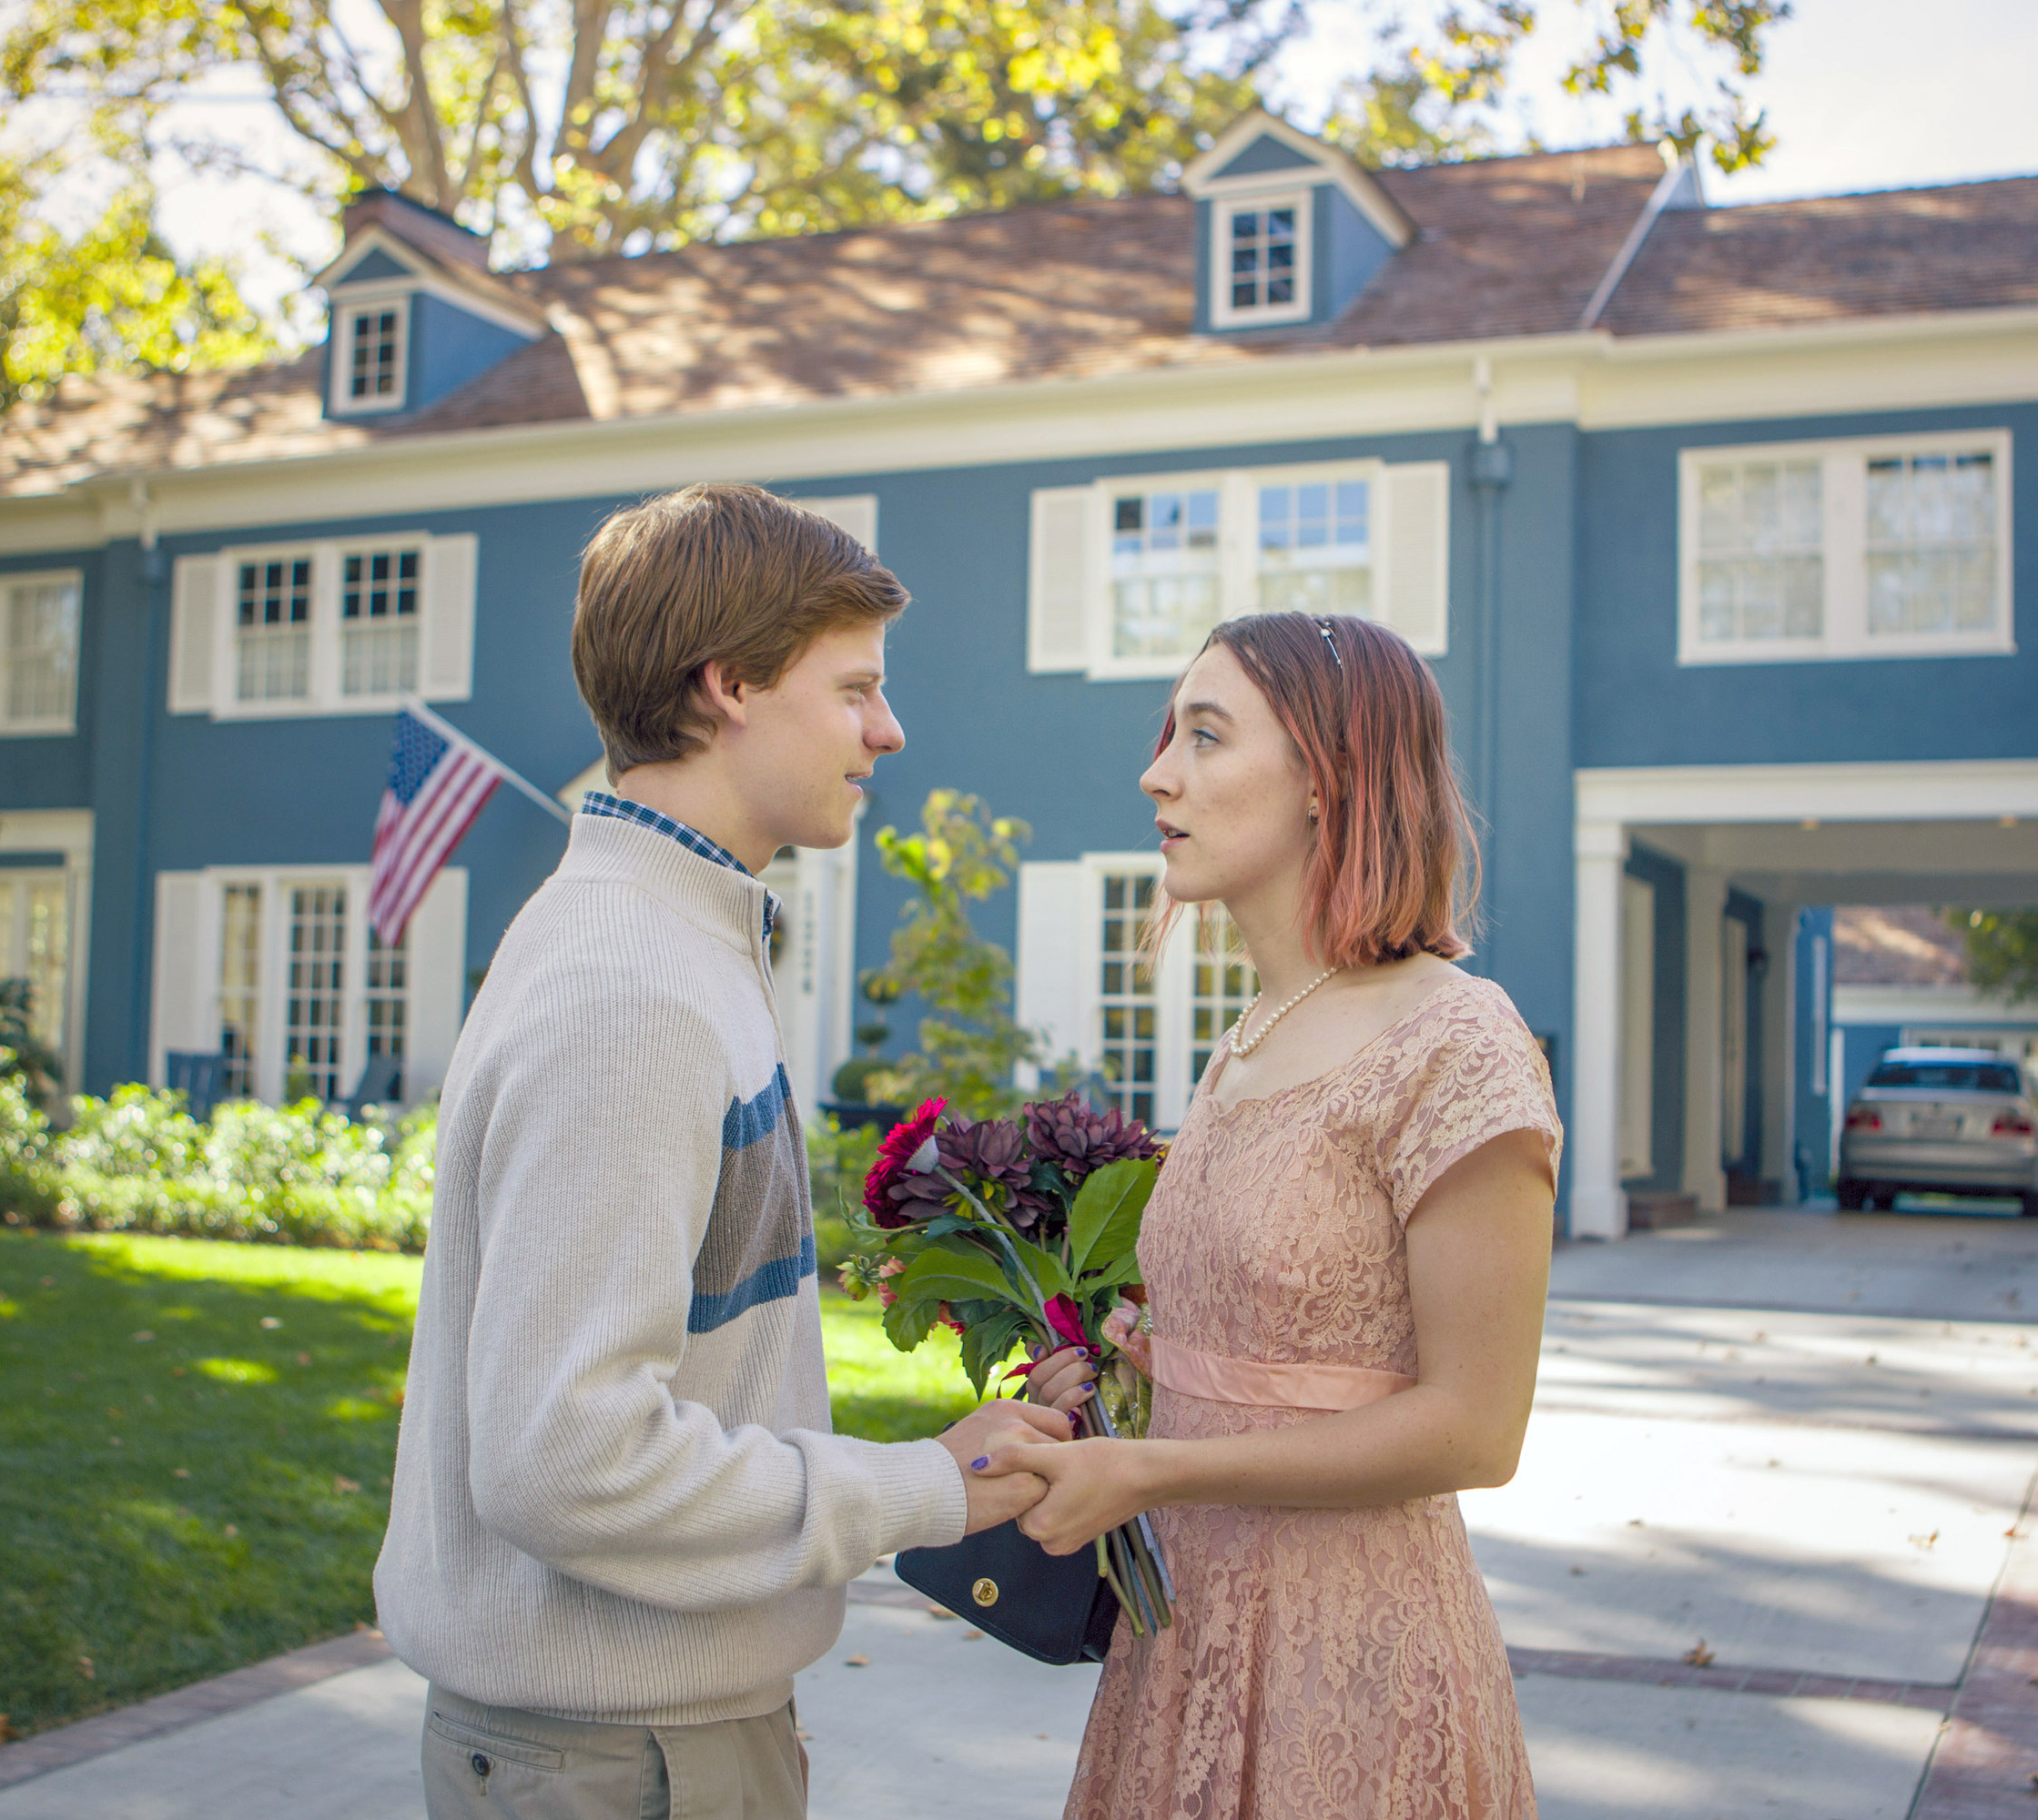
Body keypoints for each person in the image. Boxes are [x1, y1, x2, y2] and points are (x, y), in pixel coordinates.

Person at [374, 483, 1067, 1820]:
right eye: (855, 687)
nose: (889, 729)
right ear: (731, 684)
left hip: (655, 1733)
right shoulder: (629, 989)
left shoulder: (677, 945)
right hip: (616, 1755)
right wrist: (924, 1487)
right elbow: (567, 1456)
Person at [1008, 611, 1561, 1820]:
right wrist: (1111, 1392)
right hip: (1181, 1634)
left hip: (1352, 1666)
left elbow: (1476, 1429)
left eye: (1205, 735)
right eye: (1170, 735)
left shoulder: (1457, 1042)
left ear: (1333, 778)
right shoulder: (1246, 1040)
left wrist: (1151, 1467)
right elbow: (1270, 1357)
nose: (1159, 771)